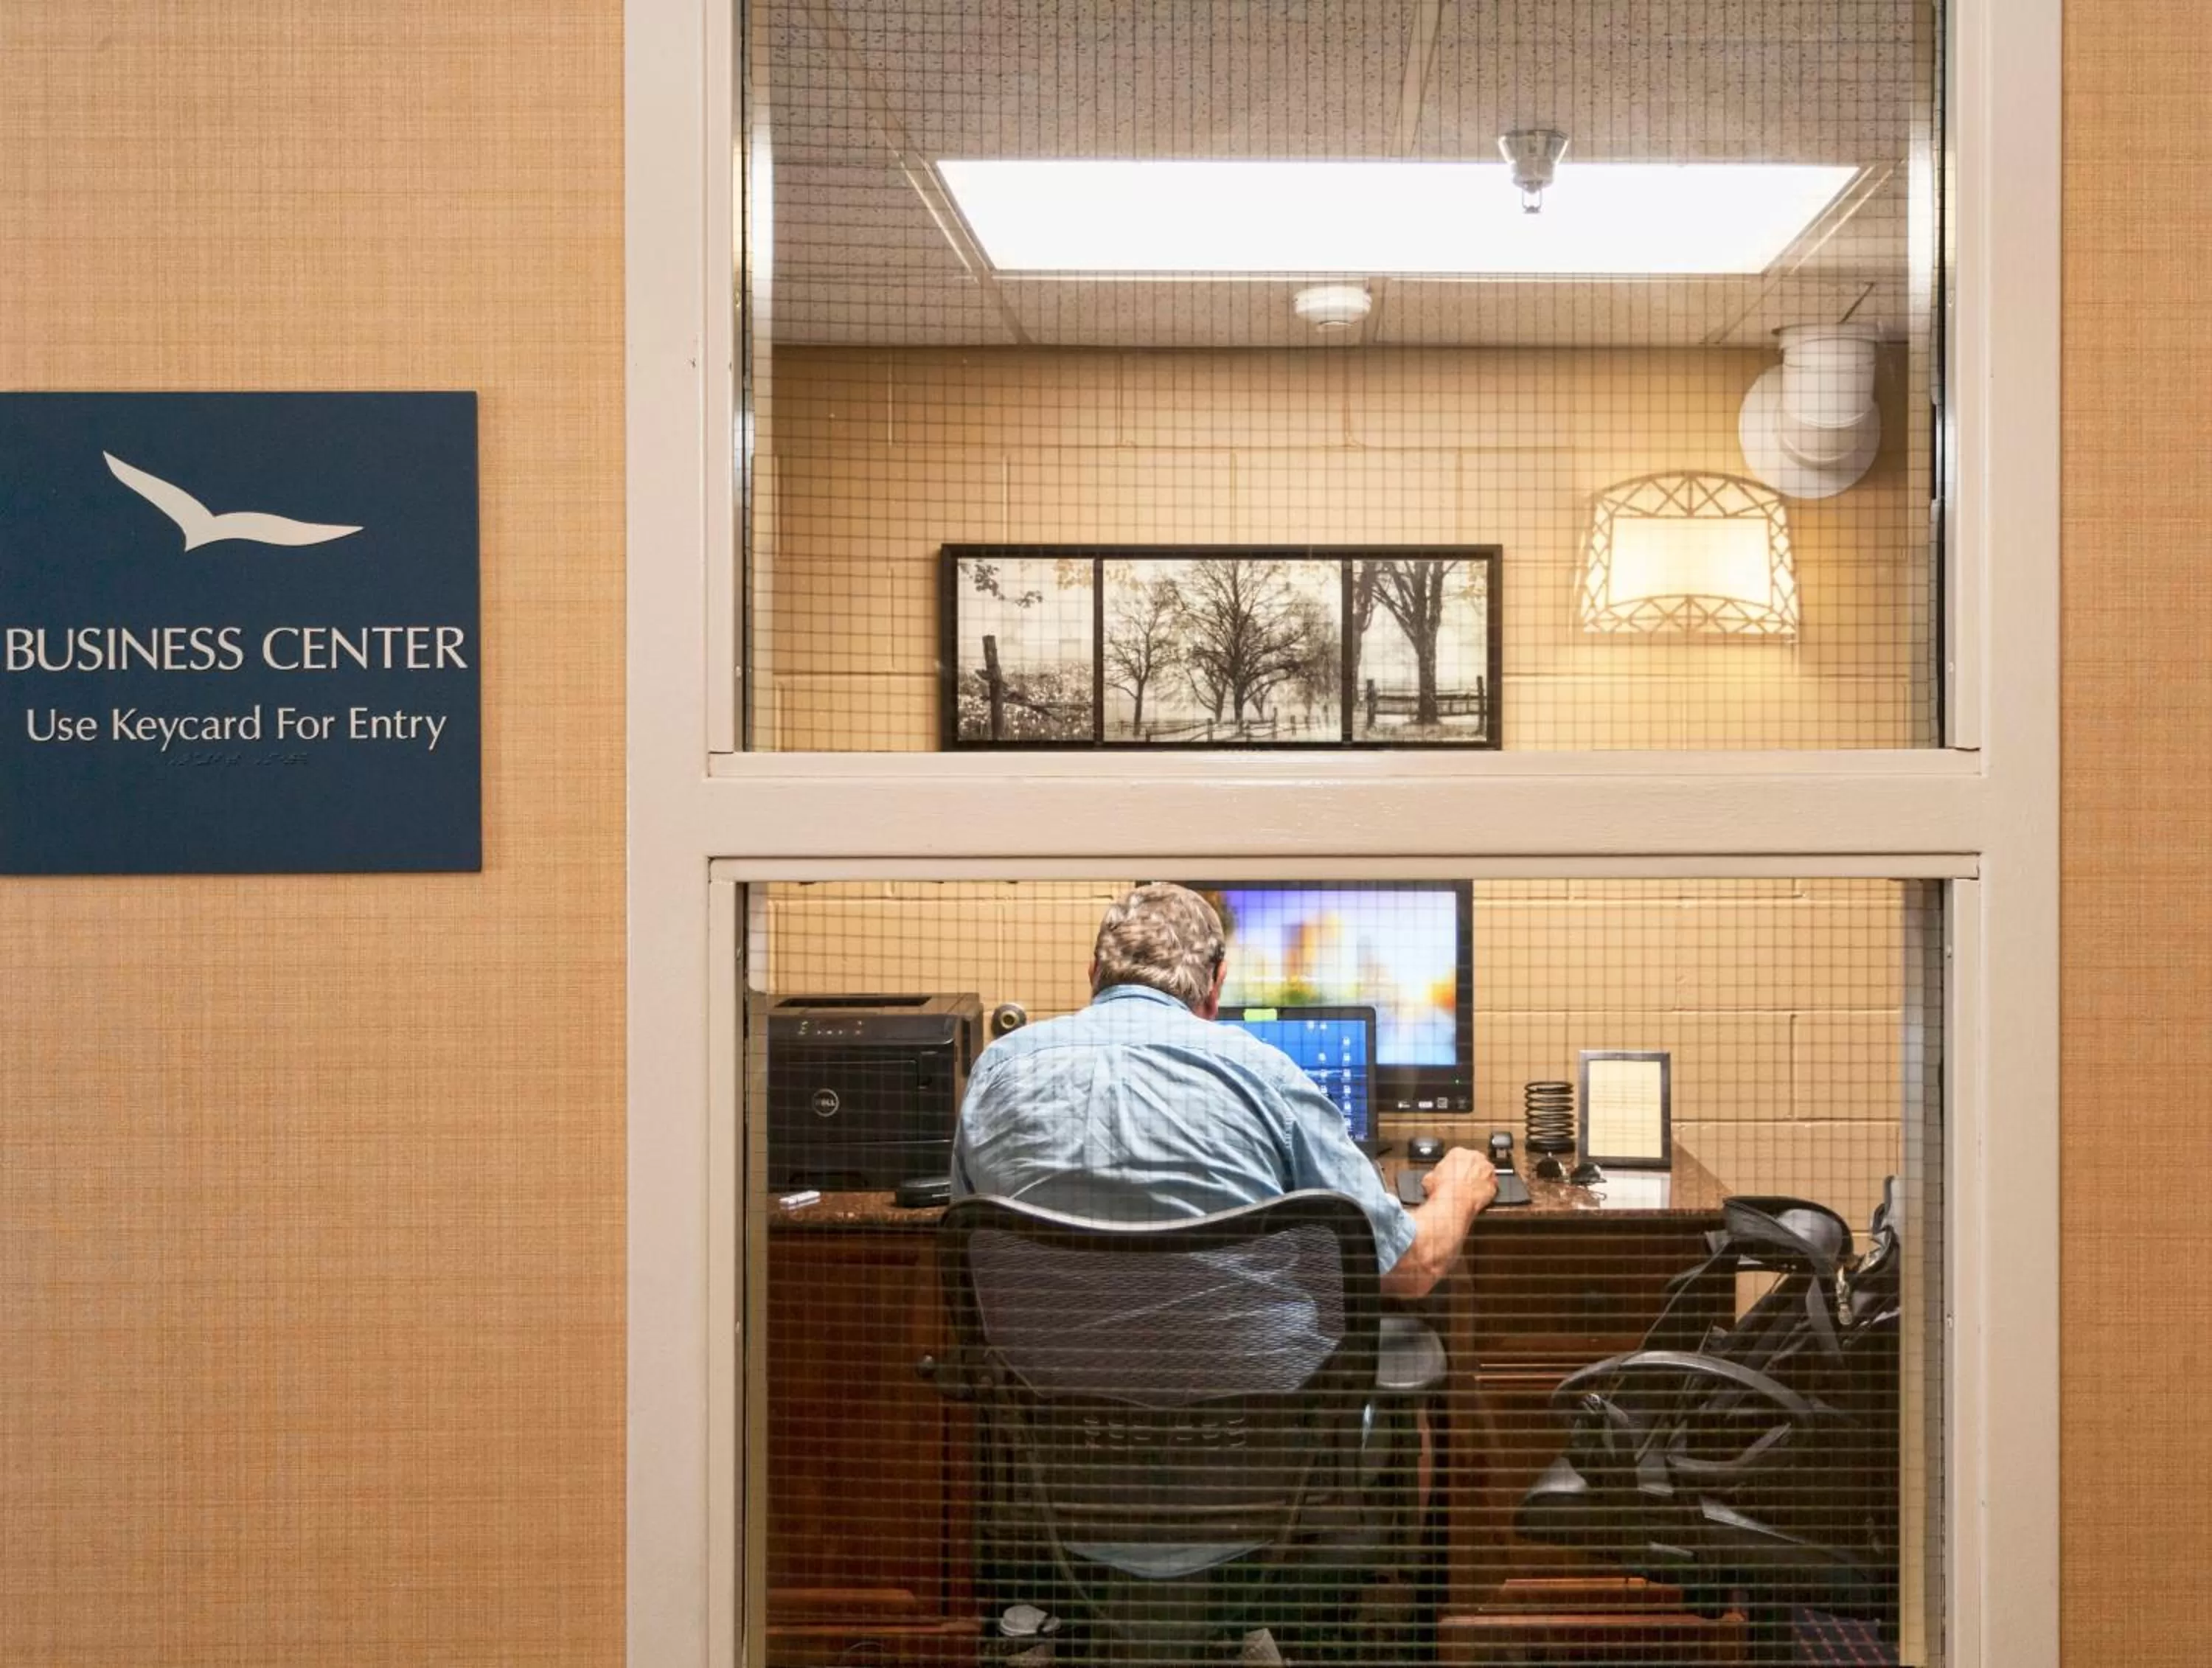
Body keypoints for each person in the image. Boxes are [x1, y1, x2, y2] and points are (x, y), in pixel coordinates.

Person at [952, 881, 1494, 1298]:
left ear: (1094, 973)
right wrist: (1460, 1189)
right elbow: (1410, 1269)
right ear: (1216, 986)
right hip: (1255, 1424)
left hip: (1053, 1416)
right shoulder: (1266, 1075)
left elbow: (970, 1254)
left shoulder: (998, 1068)